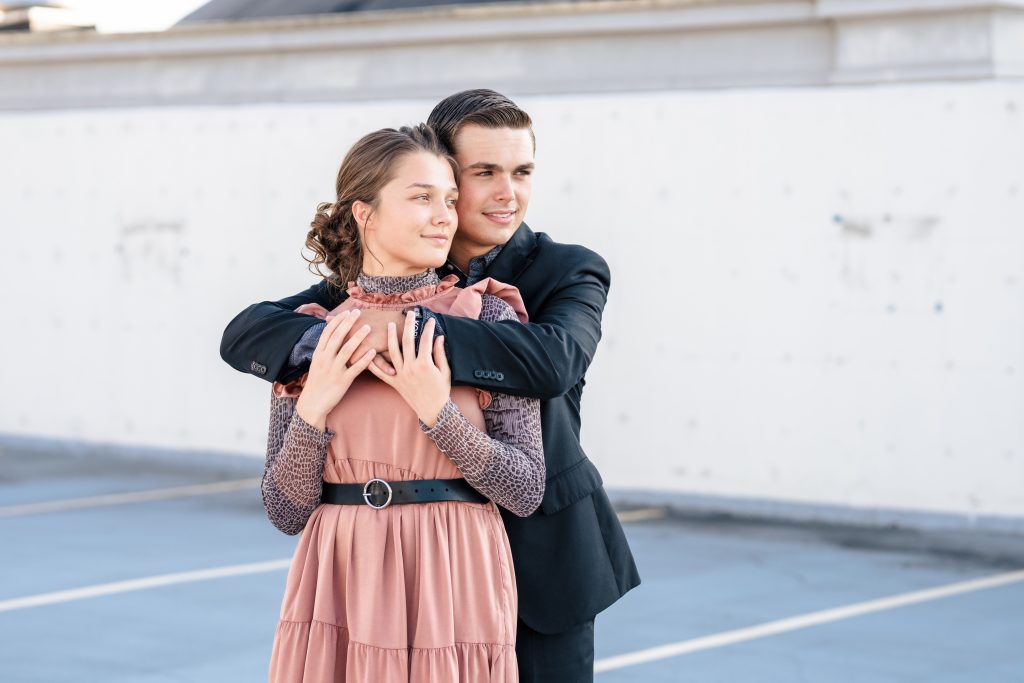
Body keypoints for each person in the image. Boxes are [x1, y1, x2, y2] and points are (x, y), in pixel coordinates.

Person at [222, 90, 640, 682]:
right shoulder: (352, 298)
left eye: (522, 173)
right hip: (371, 577)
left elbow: (552, 362)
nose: (507, 193)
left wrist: (399, 336)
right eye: (484, 173)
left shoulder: (565, 269)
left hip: (545, 559)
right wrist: (326, 368)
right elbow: (247, 335)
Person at [260, 123, 545, 681]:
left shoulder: (488, 317)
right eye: (422, 198)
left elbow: (526, 488)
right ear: (364, 214)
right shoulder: (310, 336)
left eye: (450, 200)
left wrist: (438, 414)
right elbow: (285, 510)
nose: (445, 216)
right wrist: (313, 408)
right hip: (342, 575)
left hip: (453, 573)